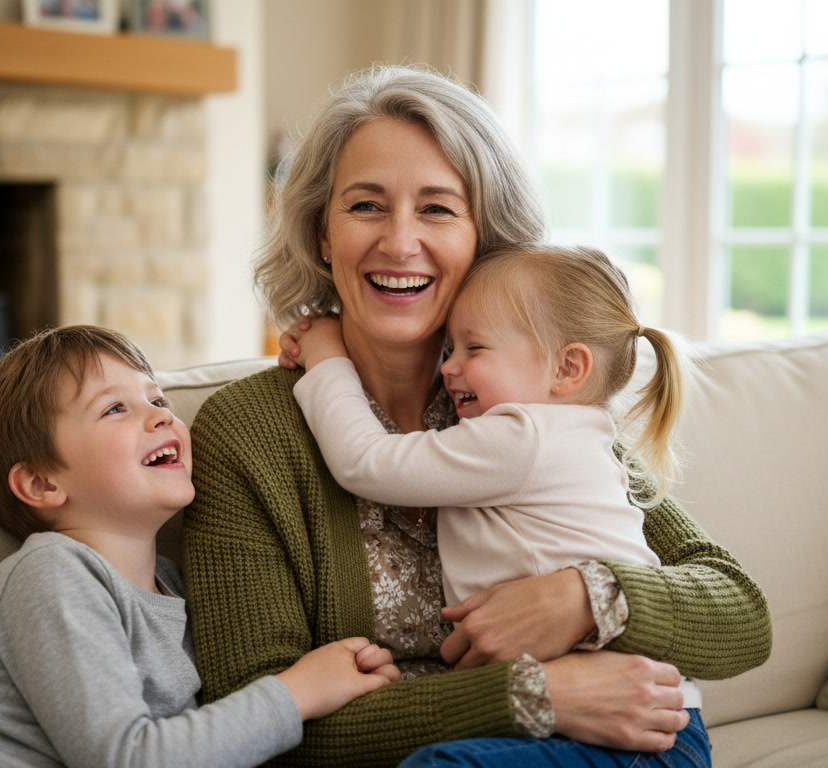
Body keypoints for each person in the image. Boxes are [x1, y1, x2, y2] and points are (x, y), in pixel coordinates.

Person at [182, 64, 772, 767]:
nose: (400, 242)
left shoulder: (528, 402)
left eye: (437, 209)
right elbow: (255, 722)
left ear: (484, 238)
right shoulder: (245, 437)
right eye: (367, 206)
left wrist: (584, 598)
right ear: (321, 236)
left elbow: (740, 615)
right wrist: (532, 694)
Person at [287, 245, 708, 766]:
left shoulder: (522, 436)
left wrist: (326, 357)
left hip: (633, 732)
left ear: (567, 367)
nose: (450, 368)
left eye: (474, 349)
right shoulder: (574, 431)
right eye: (449, 348)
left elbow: (366, 462)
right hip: (613, 725)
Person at [0, 325, 399, 768]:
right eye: (115, 408)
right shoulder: (51, 573)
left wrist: (342, 675)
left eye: (159, 401)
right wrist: (297, 693)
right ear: (41, 483)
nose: (161, 418)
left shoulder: (175, 585)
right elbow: (127, 757)